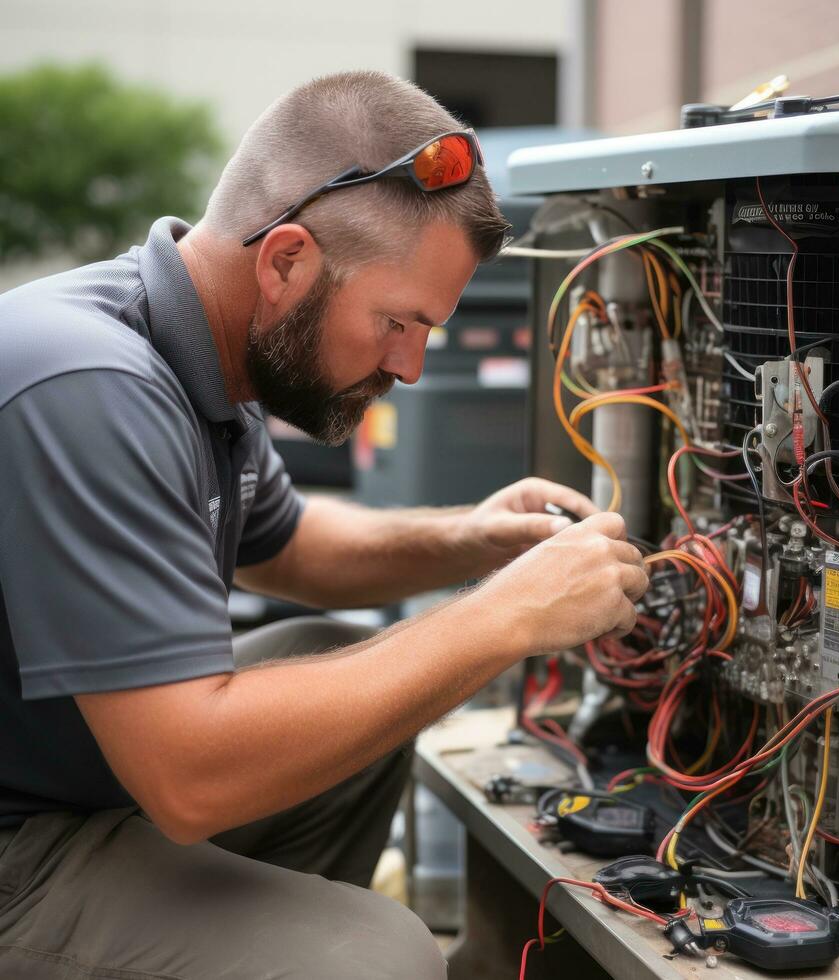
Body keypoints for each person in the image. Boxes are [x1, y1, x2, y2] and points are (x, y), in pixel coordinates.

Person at [0, 71, 647, 978]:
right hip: (21, 850)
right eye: (397, 322)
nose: (412, 368)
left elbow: (293, 546)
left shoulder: (211, 358)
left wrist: (475, 538)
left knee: (331, 651)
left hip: (82, 788)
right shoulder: (88, 387)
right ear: (287, 260)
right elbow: (190, 778)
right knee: (377, 955)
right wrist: (509, 615)